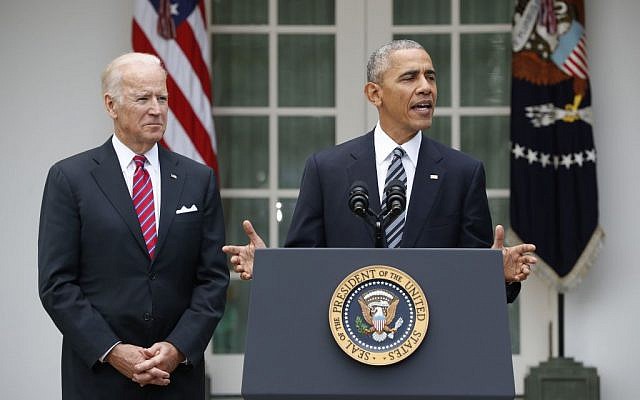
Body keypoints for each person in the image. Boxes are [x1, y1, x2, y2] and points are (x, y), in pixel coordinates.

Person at [223, 40, 534, 302]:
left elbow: (476, 281)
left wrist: (500, 276)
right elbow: (305, 267)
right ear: (374, 94)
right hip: (346, 342)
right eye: (410, 78)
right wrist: (270, 269)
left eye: (430, 77)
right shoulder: (327, 169)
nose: (426, 88)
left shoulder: (462, 173)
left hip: (434, 346)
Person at [38, 53, 229, 399]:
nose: (156, 109)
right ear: (111, 105)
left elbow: (213, 279)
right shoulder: (70, 178)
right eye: (143, 99)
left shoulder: (198, 179)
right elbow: (57, 284)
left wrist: (178, 347)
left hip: (176, 379)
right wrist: (112, 350)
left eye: (162, 98)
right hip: (99, 379)